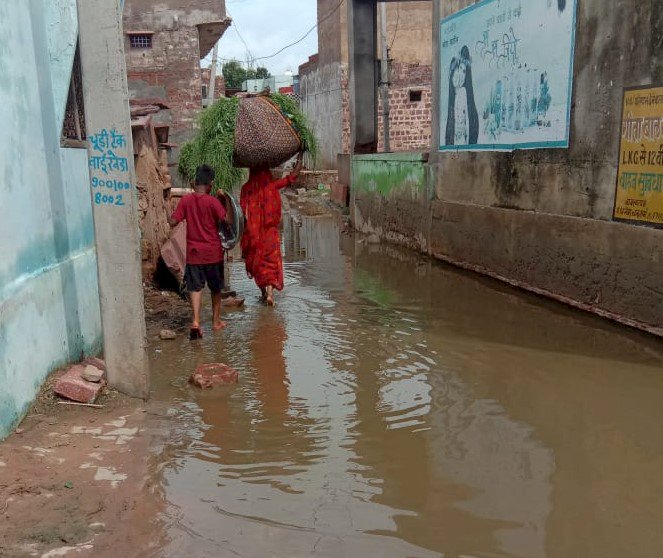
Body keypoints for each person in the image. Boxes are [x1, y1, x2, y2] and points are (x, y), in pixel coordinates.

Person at [169, 164, 227, 339]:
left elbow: (172, 222)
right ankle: (216, 322)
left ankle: (195, 321)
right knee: (216, 289)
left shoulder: (186, 201)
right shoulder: (214, 202)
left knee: (195, 288)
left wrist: (167, 212)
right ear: (210, 184)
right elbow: (228, 222)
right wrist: (225, 201)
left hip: (194, 254)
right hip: (213, 253)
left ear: (195, 182)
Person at [240, 153, 303, 306]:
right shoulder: (272, 186)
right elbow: (293, 176)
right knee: (271, 262)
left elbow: (241, 214)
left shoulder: (246, 188)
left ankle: (263, 293)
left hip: (254, 234)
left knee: (258, 263)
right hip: (270, 234)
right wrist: (301, 154)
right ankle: (269, 294)